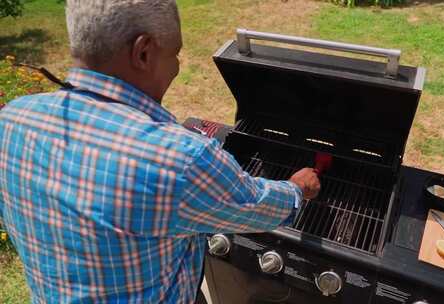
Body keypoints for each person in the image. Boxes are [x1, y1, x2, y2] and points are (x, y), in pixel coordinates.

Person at [0, 1, 321, 303]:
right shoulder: (178, 160)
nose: (178, 67)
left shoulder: (12, 120)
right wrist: (296, 189)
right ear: (143, 52)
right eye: (175, 55)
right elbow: (256, 206)